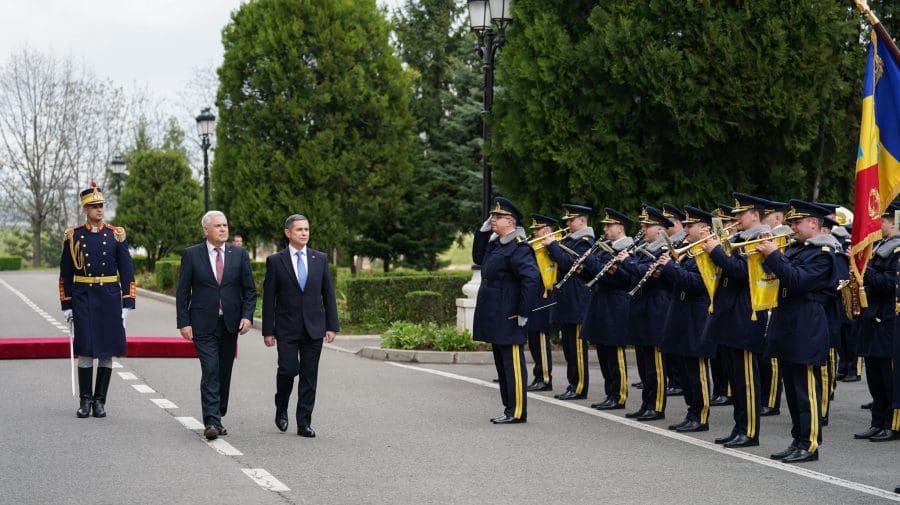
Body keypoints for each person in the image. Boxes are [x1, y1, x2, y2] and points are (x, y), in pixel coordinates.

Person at [757, 200, 836, 463]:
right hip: (787, 321)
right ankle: (797, 439)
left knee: (805, 389)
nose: (792, 227)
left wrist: (773, 254)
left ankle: (810, 444)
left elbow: (797, 280)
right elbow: (771, 272)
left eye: (797, 222)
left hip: (806, 322)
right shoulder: (795, 249)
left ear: (813, 223)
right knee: (791, 389)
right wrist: (764, 252)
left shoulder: (823, 253)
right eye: (791, 222)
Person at [176, 210, 257, 440]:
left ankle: (218, 412)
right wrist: (184, 322)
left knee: (224, 371)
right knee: (211, 369)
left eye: (225, 225)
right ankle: (212, 421)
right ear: (206, 230)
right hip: (203, 323)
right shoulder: (192, 254)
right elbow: (183, 292)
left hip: (230, 323)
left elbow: (250, 290)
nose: (223, 229)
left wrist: (247, 316)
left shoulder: (239, 254)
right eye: (218, 225)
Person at [59, 182, 135, 418]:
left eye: (101, 205)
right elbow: (65, 274)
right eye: (94, 206)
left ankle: (100, 401)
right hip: (83, 297)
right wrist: (67, 304)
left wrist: (127, 303)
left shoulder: (115, 235)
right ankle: (85, 401)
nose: (99, 209)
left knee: (106, 350)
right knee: (85, 348)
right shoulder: (73, 236)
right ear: (85, 210)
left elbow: (127, 271)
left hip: (109, 298)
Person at [701, 193, 770, 448]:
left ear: (755, 215)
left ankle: (749, 431)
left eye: (741, 214)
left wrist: (717, 252)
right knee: (736, 379)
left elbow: (743, 272)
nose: (736, 218)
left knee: (747, 379)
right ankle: (739, 427)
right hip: (731, 313)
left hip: (746, 314)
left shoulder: (761, 239)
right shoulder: (739, 239)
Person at [262, 214, 339, 438]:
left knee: (309, 376)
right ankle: (281, 406)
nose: (304, 233)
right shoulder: (276, 261)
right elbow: (269, 298)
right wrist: (268, 330)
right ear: (288, 233)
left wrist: (331, 325)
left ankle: (304, 422)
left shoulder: (320, 259)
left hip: (314, 327)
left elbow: (328, 294)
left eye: (306, 229)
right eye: (299, 230)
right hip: (286, 328)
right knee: (288, 370)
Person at [473, 197, 541, 424]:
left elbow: (531, 280)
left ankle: (518, 410)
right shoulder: (497, 243)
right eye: (493, 216)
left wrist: (523, 312)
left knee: (512, 365)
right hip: (495, 313)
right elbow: (478, 257)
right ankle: (509, 407)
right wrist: (483, 232)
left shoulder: (519, 247)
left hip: (509, 314)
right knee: (502, 365)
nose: (493, 219)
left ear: (510, 222)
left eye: (498, 216)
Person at [658, 206, 715, 432]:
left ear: (704, 228)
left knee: (696, 370)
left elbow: (697, 283)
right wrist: (663, 271)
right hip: (681, 311)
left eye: (691, 225)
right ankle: (691, 411)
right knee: (684, 367)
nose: (687, 229)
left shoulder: (707, 252)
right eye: (687, 225)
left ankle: (700, 416)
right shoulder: (688, 251)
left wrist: (670, 267)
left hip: (697, 314)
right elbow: (675, 283)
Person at [618, 205, 673, 422]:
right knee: (643, 362)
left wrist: (627, 262)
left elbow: (649, 274)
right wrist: (619, 268)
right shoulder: (642, 249)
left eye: (647, 226)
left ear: (659, 229)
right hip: (640, 308)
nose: (642, 229)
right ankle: (646, 403)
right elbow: (632, 277)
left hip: (655, 309)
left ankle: (656, 405)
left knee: (655, 364)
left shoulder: (663, 250)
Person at [579, 208, 635, 411]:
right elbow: (596, 276)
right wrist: (582, 270)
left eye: (609, 225)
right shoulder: (605, 249)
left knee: (614, 353)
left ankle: (618, 395)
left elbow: (616, 278)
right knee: (603, 351)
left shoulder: (628, 249)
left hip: (616, 304)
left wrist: (590, 261)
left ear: (620, 228)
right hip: (601, 302)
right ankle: (609, 392)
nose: (605, 229)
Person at [854, 201, 900, 443]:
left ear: (893, 223)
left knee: (888, 376)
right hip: (873, 318)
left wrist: (864, 270)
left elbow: (889, 284)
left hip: (889, 320)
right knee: (874, 375)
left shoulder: (897, 251)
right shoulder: (879, 247)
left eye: (880, 221)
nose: (875, 225)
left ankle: (892, 424)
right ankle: (877, 421)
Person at [543, 204, 595, 401]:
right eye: (567, 220)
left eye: (571, 220)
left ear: (582, 220)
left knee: (577, 348)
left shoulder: (585, 241)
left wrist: (553, 246)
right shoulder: (570, 239)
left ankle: (579, 386)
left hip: (577, 298)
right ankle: (572, 383)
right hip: (566, 298)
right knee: (568, 347)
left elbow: (568, 263)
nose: (567, 223)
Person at [525, 214, 559, 392]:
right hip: (534, 294)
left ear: (547, 230)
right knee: (532, 336)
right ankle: (538, 375)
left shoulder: (554, 244)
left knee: (540, 337)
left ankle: (545, 378)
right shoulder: (533, 245)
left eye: (537, 229)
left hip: (545, 294)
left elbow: (557, 261)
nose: (534, 233)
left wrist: (550, 243)